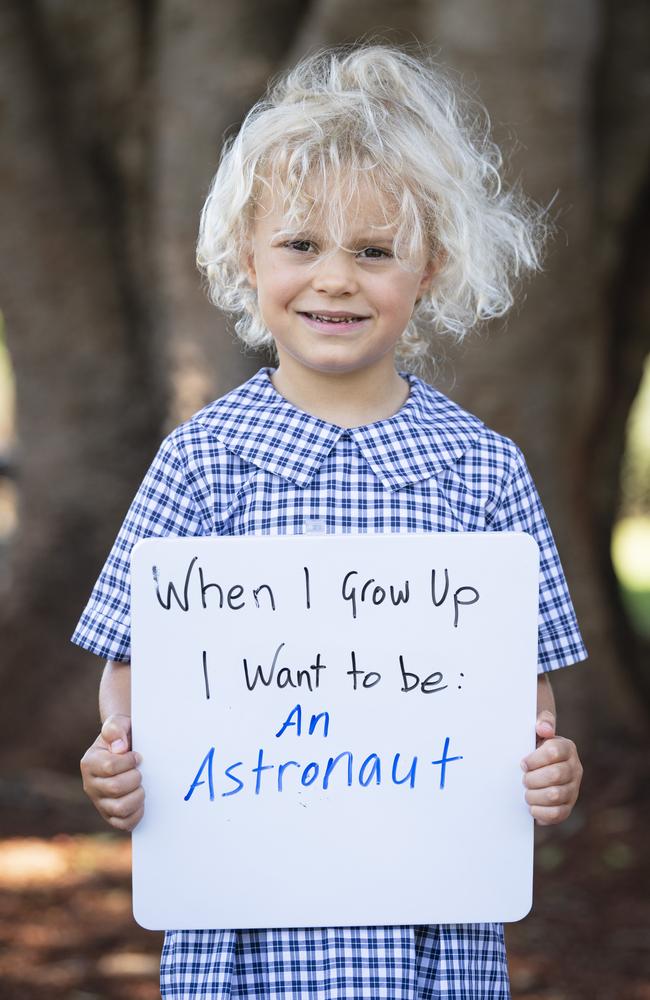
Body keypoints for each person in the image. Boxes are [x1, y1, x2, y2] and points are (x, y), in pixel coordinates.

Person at [75, 43, 586, 999]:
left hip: (432, 934)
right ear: (246, 256)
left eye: (375, 250)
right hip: (241, 934)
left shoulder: (482, 472)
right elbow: (132, 670)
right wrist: (117, 762)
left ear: (430, 267)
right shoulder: (200, 463)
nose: (336, 279)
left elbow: (524, 697)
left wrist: (547, 770)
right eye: (301, 245)